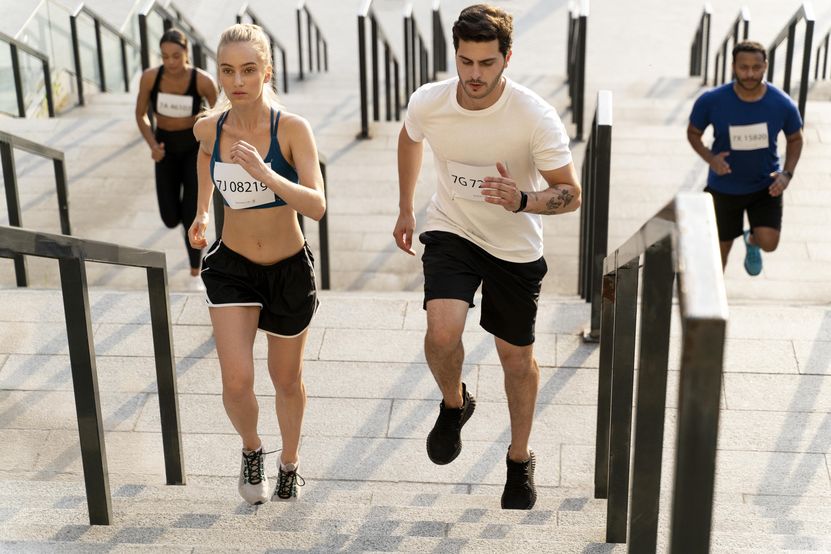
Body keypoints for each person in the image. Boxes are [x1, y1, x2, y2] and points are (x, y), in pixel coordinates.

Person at [393, 4, 580, 510]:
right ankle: (455, 404)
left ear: (507, 59)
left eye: (486, 63)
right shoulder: (429, 102)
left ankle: (519, 460)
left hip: (514, 247)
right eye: (465, 61)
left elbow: (571, 192)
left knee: (514, 358)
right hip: (451, 229)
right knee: (441, 331)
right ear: (455, 55)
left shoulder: (533, 116)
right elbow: (409, 139)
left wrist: (522, 199)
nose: (474, 74)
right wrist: (407, 207)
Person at [188, 23, 326, 505]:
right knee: (236, 380)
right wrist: (203, 211)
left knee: (286, 380)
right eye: (228, 71)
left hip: (288, 269)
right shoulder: (211, 126)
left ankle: (290, 461)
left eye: (249, 70)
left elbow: (316, 205)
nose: (238, 81)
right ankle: (252, 450)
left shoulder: (291, 129)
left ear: (267, 71)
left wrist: (265, 173)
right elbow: (205, 157)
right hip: (233, 267)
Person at [687, 40, 803, 275]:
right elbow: (693, 133)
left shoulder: (781, 104)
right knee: (718, 258)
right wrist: (711, 159)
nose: (750, 74)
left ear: (766, 66)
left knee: (769, 243)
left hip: (764, 185)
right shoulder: (712, 100)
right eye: (743, 67)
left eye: (756, 67)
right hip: (724, 187)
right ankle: (711, 309)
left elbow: (796, 138)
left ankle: (752, 241)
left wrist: (787, 174)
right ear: (733, 66)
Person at [135, 28, 218, 280]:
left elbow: (219, 115)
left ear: (186, 54)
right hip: (165, 149)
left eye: (175, 56)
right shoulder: (151, 78)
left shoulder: (202, 81)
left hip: (194, 149)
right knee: (171, 217)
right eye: (164, 56)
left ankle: (196, 270)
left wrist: (209, 144)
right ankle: (185, 231)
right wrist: (152, 144)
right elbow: (140, 114)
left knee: (190, 213)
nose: (170, 62)